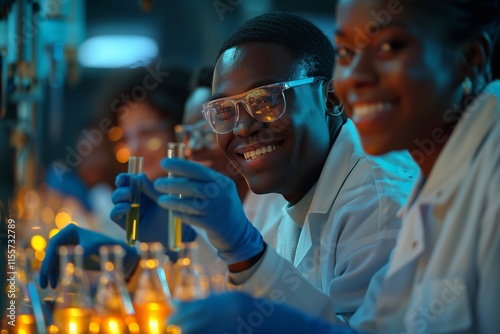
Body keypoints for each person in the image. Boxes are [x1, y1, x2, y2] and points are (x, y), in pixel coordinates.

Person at [40, 11, 417, 328]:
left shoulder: (378, 202)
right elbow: (257, 289)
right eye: (223, 112)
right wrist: (140, 267)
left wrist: (244, 248)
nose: (242, 127)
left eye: (266, 100)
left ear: (332, 97)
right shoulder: (293, 187)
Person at [167, 1, 500, 333]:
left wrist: (249, 262)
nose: (354, 76)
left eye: (390, 46)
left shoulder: (395, 195)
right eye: (345, 53)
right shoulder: (433, 186)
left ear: (471, 57)